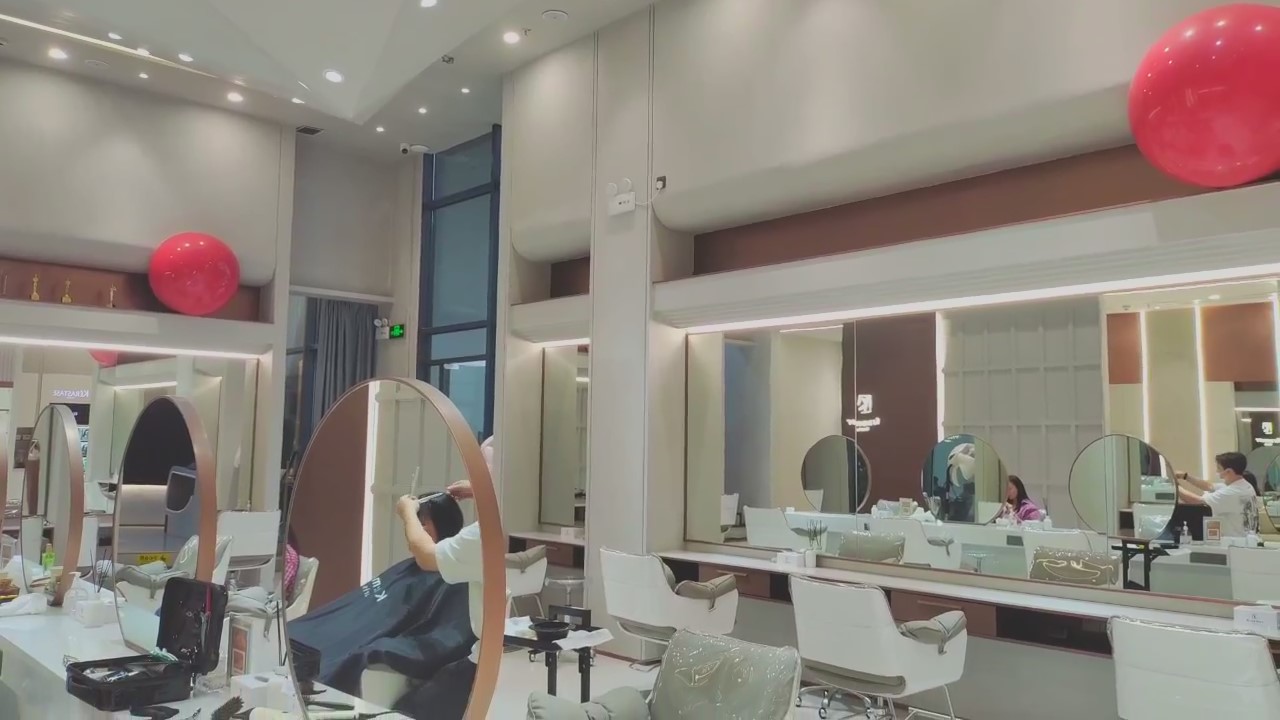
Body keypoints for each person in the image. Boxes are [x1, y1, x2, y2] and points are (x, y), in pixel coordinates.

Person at [392, 435, 495, 719]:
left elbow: (426, 556)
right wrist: (478, 490)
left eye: (481, 475)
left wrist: (407, 513)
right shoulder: (511, 518)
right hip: (485, 653)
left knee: (411, 709)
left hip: (479, 661)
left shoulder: (481, 535)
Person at [1175, 451, 1259, 537]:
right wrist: (1185, 476)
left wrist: (1174, 485)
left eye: (1219, 468)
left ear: (1228, 471)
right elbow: (1209, 486)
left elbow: (1197, 502)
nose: (1217, 471)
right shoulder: (1244, 486)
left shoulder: (1233, 493)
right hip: (1244, 538)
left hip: (1234, 541)